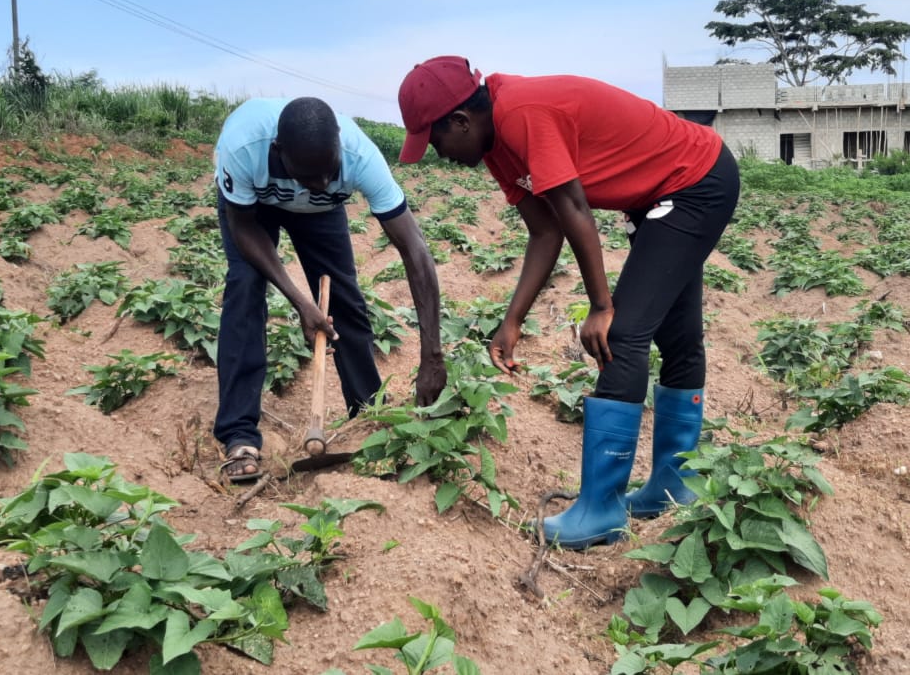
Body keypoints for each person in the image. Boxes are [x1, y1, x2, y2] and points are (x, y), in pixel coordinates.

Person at [397, 56, 739, 549]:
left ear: (460, 121)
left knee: (622, 333)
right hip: (665, 190)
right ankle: (674, 486)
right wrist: (512, 321)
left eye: (436, 142)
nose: (439, 154)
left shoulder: (521, 114)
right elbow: (545, 228)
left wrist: (601, 306)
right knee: (675, 332)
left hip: (695, 181)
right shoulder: (496, 145)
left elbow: (574, 206)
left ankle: (601, 508)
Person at [213, 96, 447, 483]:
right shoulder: (244, 147)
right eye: (310, 174)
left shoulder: (360, 157)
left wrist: (432, 356)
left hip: (320, 214)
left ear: (339, 149)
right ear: (278, 152)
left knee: (346, 302)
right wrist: (301, 301)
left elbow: (415, 251)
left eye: (330, 171)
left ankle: (369, 416)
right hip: (252, 211)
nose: (323, 183)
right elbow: (243, 228)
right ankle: (239, 433)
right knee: (245, 288)